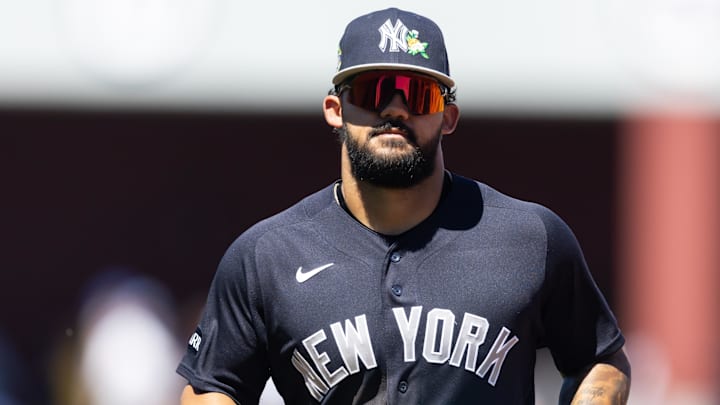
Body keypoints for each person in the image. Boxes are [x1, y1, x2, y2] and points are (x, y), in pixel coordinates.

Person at [177, 7, 631, 404]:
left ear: (447, 117)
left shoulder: (530, 237)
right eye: (374, 92)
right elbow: (212, 386)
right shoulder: (266, 256)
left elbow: (600, 360)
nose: (394, 110)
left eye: (417, 95)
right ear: (336, 108)